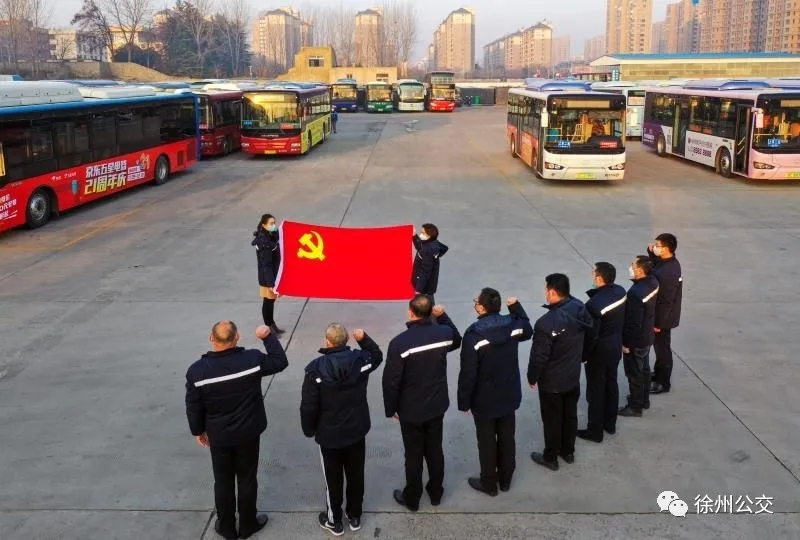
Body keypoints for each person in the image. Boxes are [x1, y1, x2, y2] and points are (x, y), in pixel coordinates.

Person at [185, 321, 288, 540]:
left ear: (211, 338)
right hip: (248, 432)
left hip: (219, 435)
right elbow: (280, 361)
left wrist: (198, 431)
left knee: (222, 482)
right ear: (237, 337)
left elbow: (193, 405)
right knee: (247, 479)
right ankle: (248, 524)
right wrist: (267, 336)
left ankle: (227, 527)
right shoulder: (251, 360)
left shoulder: (197, 371)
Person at [300, 324, 383, 536]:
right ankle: (355, 516)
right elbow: (377, 355)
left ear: (327, 341)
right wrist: (363, 338)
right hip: (356, 431)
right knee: (356, 475)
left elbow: (309, 405)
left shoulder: (315, 370)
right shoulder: (361, 361)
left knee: (332, 480)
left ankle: (334, 520)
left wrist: (309, 430)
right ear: (346, 340)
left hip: (329, 436)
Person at [383, 294, 462, 511]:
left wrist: (391, 408)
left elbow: (391, 381)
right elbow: (457, 339)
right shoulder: (443, 333)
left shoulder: (400, 343)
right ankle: (436, 493)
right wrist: (443, 316)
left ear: (411, 312)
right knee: (435, 450)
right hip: (436, 405)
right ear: (430, 312)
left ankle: (412, 498)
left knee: (413, 454)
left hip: (411, 409)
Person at [457, 289, 533, 496]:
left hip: (484, 400)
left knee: (487, 442)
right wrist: (516, 307)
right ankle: (506, 480)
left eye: (476, 301)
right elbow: (528, 330)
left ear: (481, 308)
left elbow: (468, 373)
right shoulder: (513, 324)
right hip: (509, 394)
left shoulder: (474, 335)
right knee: (507, 437)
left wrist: (464, 401)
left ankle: (489, 483)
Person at [527, 274, 593, 471]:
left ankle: (550, 457)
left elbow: (539, 356)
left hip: (552, 382)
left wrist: (532, 376)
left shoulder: (546, 323)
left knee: (552, 420)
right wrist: (582, 357)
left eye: (546, 289)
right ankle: (568, 451)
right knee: (570, 415)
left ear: (553, 292)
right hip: (572, 376)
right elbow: (590, 335)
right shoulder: (579, 307)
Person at [577, 263, 627, 443]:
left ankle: (595, 430)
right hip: (615, 346)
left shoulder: (593, 305)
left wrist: (584, 355)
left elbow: (591, 335)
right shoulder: (620, 291)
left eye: (593, 274)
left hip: (599, 353)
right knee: (611, 385)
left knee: (596, 391)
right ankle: (610, 424)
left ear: (599, 278)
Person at [618, 256, 660, 417]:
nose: (631, 268)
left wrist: (627, 344)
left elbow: (634, 323)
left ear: (641, 270)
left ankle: (635, 406)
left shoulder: (636, 293)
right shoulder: (653, 282)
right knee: (645, 370)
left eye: (633, 266)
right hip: (647, 336)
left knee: (634, 373)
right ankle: (644, 399)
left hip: (637, 340)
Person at [648, 233, 683, 395]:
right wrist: (651, 253)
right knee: (659, 347)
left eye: (658, 245)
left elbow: (666, 301)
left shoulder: (669, 271)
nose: (655, 247)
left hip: (664, 318)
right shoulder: (667, 262)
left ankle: (663, 382)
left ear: (667, 248)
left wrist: (658, 323)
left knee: (663, 349)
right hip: (662, 315)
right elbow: (656, 265)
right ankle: (658, 374)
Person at [252, 214, 284, 335]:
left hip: (272, 276)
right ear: (264, 225)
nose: (273, 225)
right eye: (271, 223)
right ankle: (268, 326)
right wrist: (271, 283)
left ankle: (272, 324)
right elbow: (267, 265)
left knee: (271, 301)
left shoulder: (271, 235)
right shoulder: (264, 243)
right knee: (268, 302)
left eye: (274, 223)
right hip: (267, 278)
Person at [411, 224, 449, 304]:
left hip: (425, 288)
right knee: (428, 304)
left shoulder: (429, 250)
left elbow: (425, 272)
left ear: (429, 235)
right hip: (427, 286)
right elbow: (420, 247)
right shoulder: (431, 243)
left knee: (426, 306)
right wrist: (414, 236)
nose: (421, 235)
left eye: (423, 233)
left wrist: (418, 290)